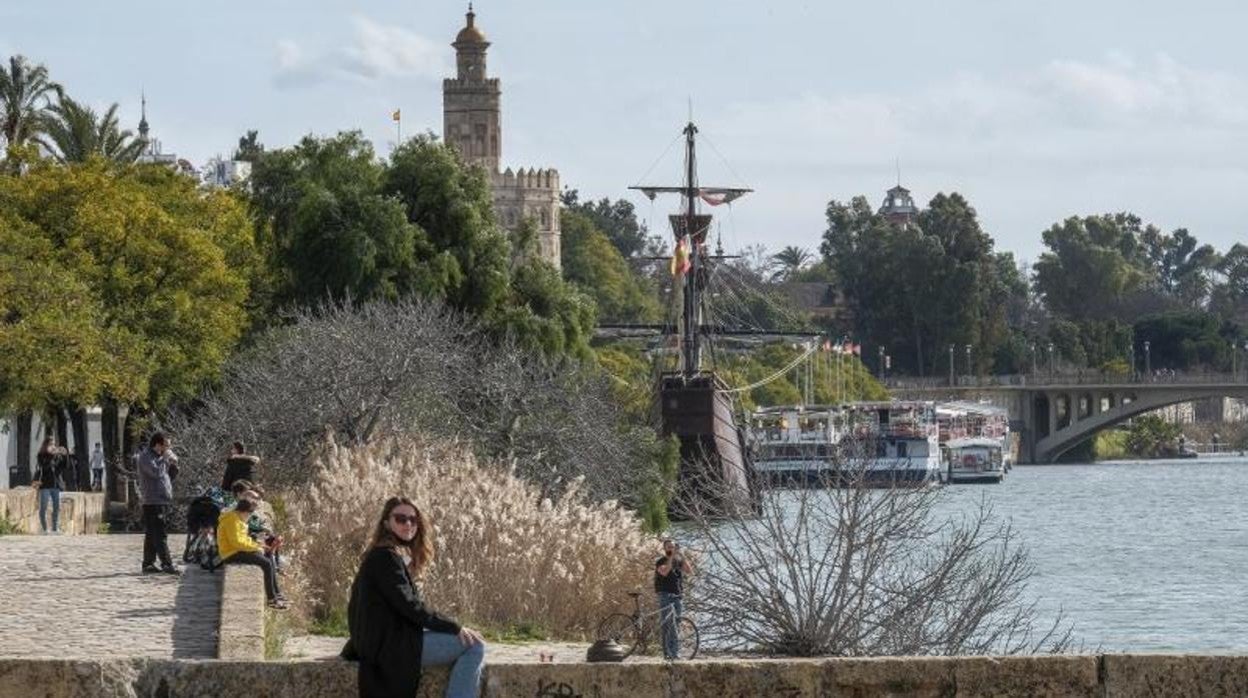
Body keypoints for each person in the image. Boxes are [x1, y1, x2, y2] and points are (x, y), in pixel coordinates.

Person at [341, 497, 485, 698]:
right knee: (475, 645)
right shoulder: (385, 558)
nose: (408, 524)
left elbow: (389, 609)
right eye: (400, 519)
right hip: (393, 648)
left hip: (387, 643)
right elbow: (410, 606)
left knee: (469, 640)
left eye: (413, 519)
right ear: (386, 523)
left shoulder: (383, 555)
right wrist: (454, 626)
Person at [218, 497, 288, 609]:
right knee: (266, 563)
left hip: (237, 550)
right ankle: (271, 599)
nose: (249, 517)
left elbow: (243, 540)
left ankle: (277, 594)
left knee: (268, 555)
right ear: (244, 512)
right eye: (249, 514)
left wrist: (259, 546)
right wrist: (256, 547)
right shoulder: (232, 520)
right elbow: (236, 542)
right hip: (231, 553)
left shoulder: (237, 518)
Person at [137, 432, 180, 574]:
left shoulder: (160, 458)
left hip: (162, 499)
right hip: (152, 500)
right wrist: (165, 460)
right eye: (166, 445)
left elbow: (168, 477)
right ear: (158, 444)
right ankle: (167, 563)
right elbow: (156, 473)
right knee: (160, 533)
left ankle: (148, 563)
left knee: (151, 533)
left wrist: (173, 465)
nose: (168, 448)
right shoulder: (145, 457)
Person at [654, 537, 693, 661]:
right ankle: (669, 653)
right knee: (667, 624)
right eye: (669, 547)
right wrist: (671, 558)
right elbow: (664, 572)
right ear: (664, 549)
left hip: (677, 596)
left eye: (673, 546)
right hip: (665, 595)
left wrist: (682, 555)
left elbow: (689, 571)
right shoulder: (660, 561)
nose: (671, 548)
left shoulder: (678, 560)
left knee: (676, 624)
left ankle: (674, 652)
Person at [34, 438, 68, 534]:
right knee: (43, 508)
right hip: (45, 485)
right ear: (45, 445)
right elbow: (45, 467)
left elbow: (65, 466)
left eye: (54, 444)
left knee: (56, 508)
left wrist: (65, 455)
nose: (53, 446)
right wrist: (51, 456)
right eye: (50, 444)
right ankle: (44, 529)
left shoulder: (57, 456)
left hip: (56, 485)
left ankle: (55, 529)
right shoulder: (41, 456)